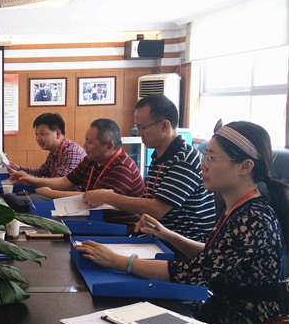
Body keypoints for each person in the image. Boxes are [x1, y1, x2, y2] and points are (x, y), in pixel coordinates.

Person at [75, 122, 288, 324]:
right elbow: (215, 255)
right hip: (219, 314)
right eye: (205, 156)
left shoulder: (253, 218)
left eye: (211, 158)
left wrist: (118, 261)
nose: (203, 165)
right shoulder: (238, 207)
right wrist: (169, 235)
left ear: (245, 167)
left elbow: (192, 272)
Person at [82, 95, 215, 243]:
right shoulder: (158, 157)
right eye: (137, 127)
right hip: (157, 239)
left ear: (164, 126)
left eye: (142, 128)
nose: (138, 133)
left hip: (183, 245)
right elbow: (149, 204)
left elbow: (157, 209)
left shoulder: (185, 159)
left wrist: (107, 197)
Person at [10, 118, 144, 225]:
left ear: (109, 147)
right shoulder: (93, 158)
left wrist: (48, 192)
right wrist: (31, 180)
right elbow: (66, 181)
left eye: (89, 142)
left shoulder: (122, 169)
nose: (84, 146)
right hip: (89, 218)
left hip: (115, 228)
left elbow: (90, 199)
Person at [4, 113, 86, 211]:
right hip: (53, 196)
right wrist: (19, 169)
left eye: (42, 134)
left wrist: (30, 179)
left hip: (68, 203)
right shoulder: (55, 151)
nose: (38, 139)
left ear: (58, 133)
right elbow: (41, 172)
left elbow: (60, 184)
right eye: (36, 134)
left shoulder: (72, 152)